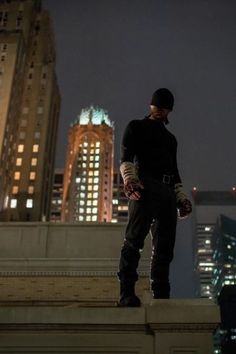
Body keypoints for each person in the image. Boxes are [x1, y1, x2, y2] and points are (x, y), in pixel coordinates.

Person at [117, 88, 192, 307]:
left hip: (167, 193)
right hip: (145, 187)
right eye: (157, 106)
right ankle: (126, 293)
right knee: (134, 240)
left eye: (163, 107)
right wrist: (130, 180)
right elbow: (126, 157)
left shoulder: (171, 140)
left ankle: (161, 297)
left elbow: (175, 171)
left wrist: (181, 198)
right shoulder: (135, 127)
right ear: (151, 105)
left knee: (164, 250)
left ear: (169, 110)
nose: (159, 110)